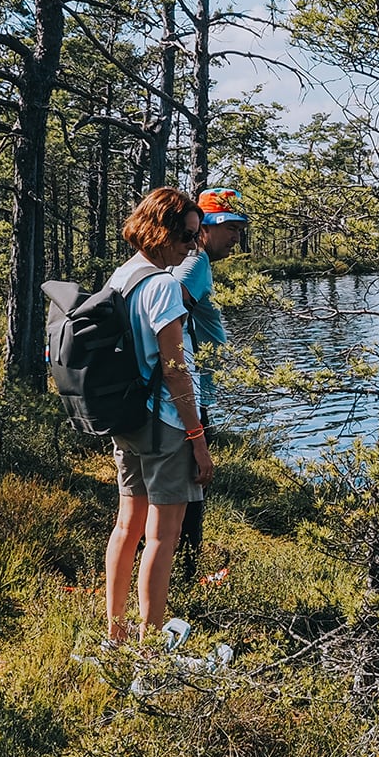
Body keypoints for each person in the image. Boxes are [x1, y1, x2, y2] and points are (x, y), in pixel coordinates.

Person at [102, 187, 213, 642]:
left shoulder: (123, 276)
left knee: (127, 526)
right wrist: (198, 439)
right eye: (187, 237)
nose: (191, 247)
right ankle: (149, 649)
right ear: (162, 231)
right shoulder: (163, 285)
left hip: (126, 420)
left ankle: (116, 632)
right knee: (163, 536)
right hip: (166, 424)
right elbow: (174, 369)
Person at [172, 186, 249, 582]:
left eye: (240, 227)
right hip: (187, 393)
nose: (236, 236)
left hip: (185, 391)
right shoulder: (195, 263)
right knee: (193, 485)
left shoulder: (191, 260)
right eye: (229, 227)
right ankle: (186, 579)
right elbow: (168, 312)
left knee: (184, 486)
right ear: (203, 226)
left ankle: (176, 573)